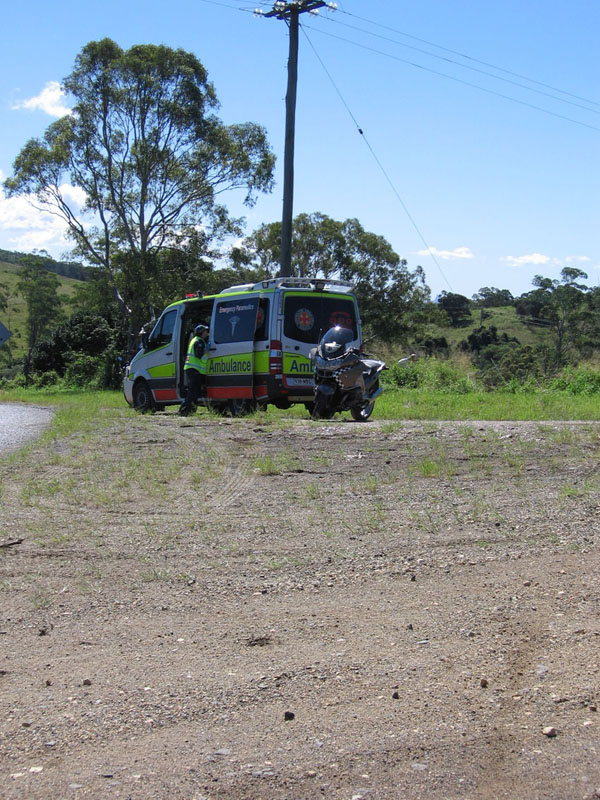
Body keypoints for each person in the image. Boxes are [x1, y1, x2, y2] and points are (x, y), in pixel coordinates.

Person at [179, 324, 209, 416]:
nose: (206, 333)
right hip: (195, 369)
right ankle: (185, 409)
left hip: (193, 369)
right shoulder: (198, 342)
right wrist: (206, 351)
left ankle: (191, 410)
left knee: (195, 391)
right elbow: (198, 355)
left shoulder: (195, 340)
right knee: (192, 391)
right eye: (205, 331)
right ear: (201, 333)